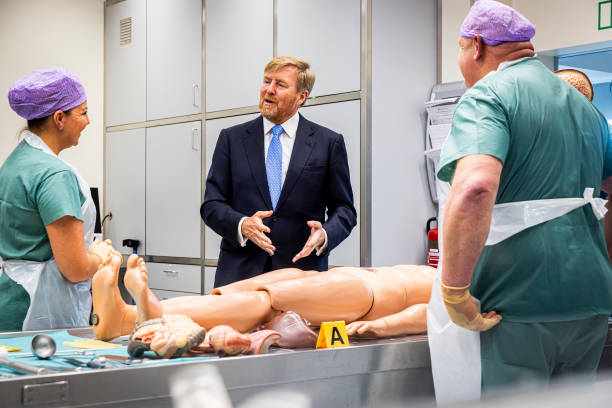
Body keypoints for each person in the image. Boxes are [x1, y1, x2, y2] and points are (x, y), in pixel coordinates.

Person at [428, 0, 612, 403]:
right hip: (590, 303)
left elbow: (476, 188)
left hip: (515, 305)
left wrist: (456, 293)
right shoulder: (587, 109)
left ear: (475, 46)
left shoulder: (488, 95)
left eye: (459, 49)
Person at [201, 56, 357, 287]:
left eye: (280, 85)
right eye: (266, 81)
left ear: (301, 97)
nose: (269, 90)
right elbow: (212, 204)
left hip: (301, 275)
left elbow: (344, 210)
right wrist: (242, 224)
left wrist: (324, 234)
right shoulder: (231, 139)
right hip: (239, 276)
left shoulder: (328, 143)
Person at [0, 68, 118, 331]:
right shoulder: (55, 175)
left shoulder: (13, 164)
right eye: (84, 112)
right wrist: (102, 255)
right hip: (39, 312)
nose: (88, 121)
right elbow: (74, 269)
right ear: (59, 118)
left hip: (11, 301)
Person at [90, 253, 435, 341]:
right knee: (244, 290)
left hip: (365, 297)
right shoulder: (461, 268)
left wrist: (383, 327)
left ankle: (134, 318)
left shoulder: (474, 289)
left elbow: (429, 315)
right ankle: (133, 312)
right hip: (343, 278)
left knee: (264, 303)